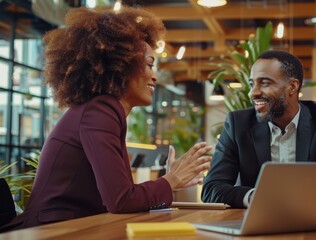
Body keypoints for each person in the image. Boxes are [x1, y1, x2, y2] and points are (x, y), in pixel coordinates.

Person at [0, 6, 211, 232]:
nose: (155, 75)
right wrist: (171, 181)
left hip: (74, 228)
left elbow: (119, 197)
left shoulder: (103, 111)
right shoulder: (100, 111)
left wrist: (169, 180)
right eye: (149, 64)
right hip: (52, 231)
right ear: (122, 64)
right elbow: (120, 200)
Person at [202, 50, 316, 209]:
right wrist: (254, 197)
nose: (253, 93)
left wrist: (298, 199)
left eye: (264, 83)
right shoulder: (238, 124)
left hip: (313, 228)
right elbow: (211, 189)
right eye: (251, 84)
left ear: (292, 87)